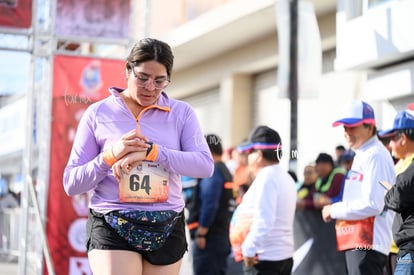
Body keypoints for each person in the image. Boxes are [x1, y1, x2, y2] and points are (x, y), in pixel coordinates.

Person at [63, 38, 214, 275]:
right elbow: (72, 184)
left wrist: (153, 152)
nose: (150, 87)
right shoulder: (97, 113)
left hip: (167, 223)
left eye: (160, 80)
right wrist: (110, 157)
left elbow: (205, 166)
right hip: (112, 221)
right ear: (127, 70)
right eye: (142, 77)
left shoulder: (182, 113)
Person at [322, 100, 396, 275]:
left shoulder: (376, 155)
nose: (347, 132)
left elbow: (373, 203)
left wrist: (334, 209)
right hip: (360, 242)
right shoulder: (364, 154)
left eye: (352, 126)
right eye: (344, 127)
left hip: (368, 243)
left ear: (370, 127)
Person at [229, 125, 296, 275]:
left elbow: (264, 220)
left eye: (250, 152)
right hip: (281, 256)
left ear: (258, 154)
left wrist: (248, 250)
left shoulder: (267, 178)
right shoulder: (285, 177)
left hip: (264, 258)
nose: (247, 157)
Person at [186, 134, 235, 275]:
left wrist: (202, 233)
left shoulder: (212, 171)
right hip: (221, 236)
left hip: (209, 239)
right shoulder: (225, 171)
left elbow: (210, 204)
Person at [381, 109, 414, 275]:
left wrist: (388, 193)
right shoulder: (399, 165)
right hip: (395, 245)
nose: (389, 144)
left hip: (407, 246)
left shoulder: (410, 166)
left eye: (392, 138)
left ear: (403, 138)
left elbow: (396, 198)